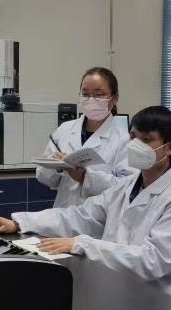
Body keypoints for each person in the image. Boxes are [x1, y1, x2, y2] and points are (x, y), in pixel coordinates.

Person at [0, 106, 171, 307]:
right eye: (133, 137)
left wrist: (83, 244)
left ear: (170, 148)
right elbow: (81, 215)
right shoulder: (127, 185)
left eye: (146, 140)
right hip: (120, 295)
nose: (135, 145)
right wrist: (19, 222)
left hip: (164, 309)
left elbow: (151, 261)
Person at [37, 66, 134, 208]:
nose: (91, 100)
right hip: (62, 215)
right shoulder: (65, 130)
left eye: (98, 94)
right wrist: (55, 167)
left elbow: (127, 188)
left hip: (99, 219)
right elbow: (45, 179)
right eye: (85, 94)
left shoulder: (124, 140)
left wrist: (85, 177)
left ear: (114, 99)